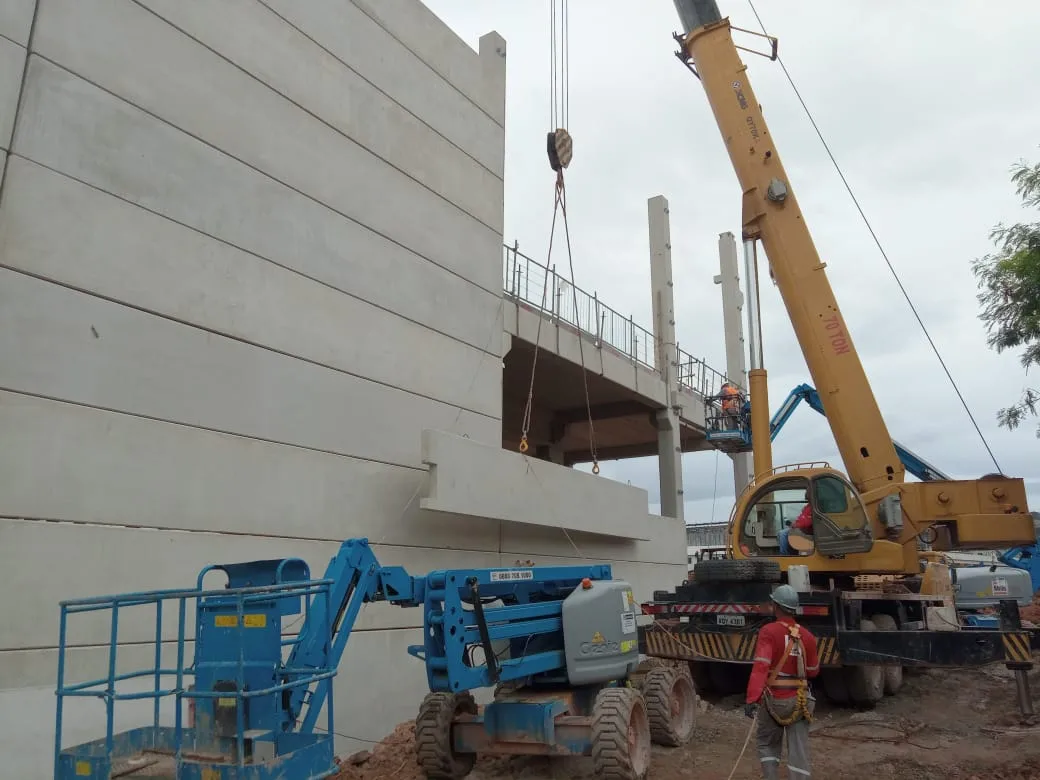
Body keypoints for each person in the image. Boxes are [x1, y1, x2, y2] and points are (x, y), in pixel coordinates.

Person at [744, 584, 820, 779]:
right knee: (799, 750)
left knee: (767, 743)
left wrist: (752, 698)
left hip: (775, 700)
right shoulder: (808, 636)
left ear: (776, 606)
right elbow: (813, 671)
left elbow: (761, 667)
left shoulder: (769, 632)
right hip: (802, 700)